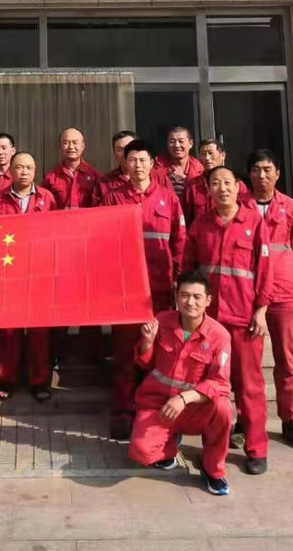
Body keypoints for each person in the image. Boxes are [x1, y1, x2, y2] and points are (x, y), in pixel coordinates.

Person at [183, 165, 273, 475]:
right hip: (208, 322)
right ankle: (211, 448)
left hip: (243, 318)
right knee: (208, 386)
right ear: (208, 190)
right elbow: (189, 269)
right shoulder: (201, 224)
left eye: (227, 183)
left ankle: (256, 448)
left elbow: (265, 270)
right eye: (215, 184)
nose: (222, 188)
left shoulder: (254, 222)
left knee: (249, 387)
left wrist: (261, 309)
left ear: (238, 187)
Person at [99, 139, 186, 441]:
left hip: (159, 291)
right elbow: (102, 243)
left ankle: (153, 414)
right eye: (132, 160)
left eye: (142, 160)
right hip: (125, 292)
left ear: (152, 164)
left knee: (158, 355)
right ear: (124, 163)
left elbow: (179, 242)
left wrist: (178, 280)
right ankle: (123, 414)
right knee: (124, 355)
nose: (137, 165)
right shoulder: (112, 198)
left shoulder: (167, 198)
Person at [129, 269, 232, 496]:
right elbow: (145, 363)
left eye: (197, 297)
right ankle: (169, 445)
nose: (190, 302)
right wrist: (147, 342)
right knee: (140, 453)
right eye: (184, 295)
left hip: (193, 408)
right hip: (159, 405)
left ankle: (212, 469)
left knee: (223, 407)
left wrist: (185, 398)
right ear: (176, 296)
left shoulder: (220, 336)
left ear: (208, 300)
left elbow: (220, 383)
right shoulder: (162, 321)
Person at [248, 149, 293, 451]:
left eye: (267, 169)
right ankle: (246, 419)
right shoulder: (240, 205)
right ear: (249, 174)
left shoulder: (291, 207)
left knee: (287, 359)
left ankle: (290, 419)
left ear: (277, 174)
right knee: (248, 362)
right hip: (249, 295)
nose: (262, 175)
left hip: (283, 294)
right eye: (256, 170)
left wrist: (287, 277)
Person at [0, 152, 55, 401]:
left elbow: (57, 233)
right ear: (11, 171)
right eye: (19, 167)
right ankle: (6, 379)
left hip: (38, 271)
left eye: (29, 167)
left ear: (35, 171)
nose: (24, 172)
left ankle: (40, 381)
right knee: (8, 330)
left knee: (39, 331)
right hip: (8, 273)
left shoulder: (47, 198)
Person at [183, 138, 252, 226]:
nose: (207, 158)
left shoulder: (236, 184)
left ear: (222, 155)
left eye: (211, 153)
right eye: (203, 154)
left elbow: (247, 214)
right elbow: (185, 219)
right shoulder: (192, 186)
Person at [42, 126, 101, 210]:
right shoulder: (50, 178)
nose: (71, 147)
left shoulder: (95, 176)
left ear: (82, 146)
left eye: (75, 142)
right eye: (66, 143)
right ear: (60, 146)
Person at [157, 126, 204, 209]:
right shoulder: (157, 168)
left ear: (190, 143)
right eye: (172, 141)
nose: (177, 145)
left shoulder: (199, 170)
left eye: (181, 141)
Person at [93, 129, 138, 204]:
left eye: (129, 148)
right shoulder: (104, 183)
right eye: (120, 149)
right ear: (114, 154)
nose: (125, 153)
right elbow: (97, 210)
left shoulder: (153, 178)